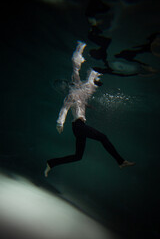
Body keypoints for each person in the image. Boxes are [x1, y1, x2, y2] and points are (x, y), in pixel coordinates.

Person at [44, 41, 135, 177]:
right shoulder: (72, 93)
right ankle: (121, 161)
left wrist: (86, 106)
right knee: (103, 137)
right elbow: (64, 109)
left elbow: (77, 103)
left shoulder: (79, 93)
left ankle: (51, 163)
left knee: (78, 156)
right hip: (79, 126)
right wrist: (59, 123)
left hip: (79, 127)